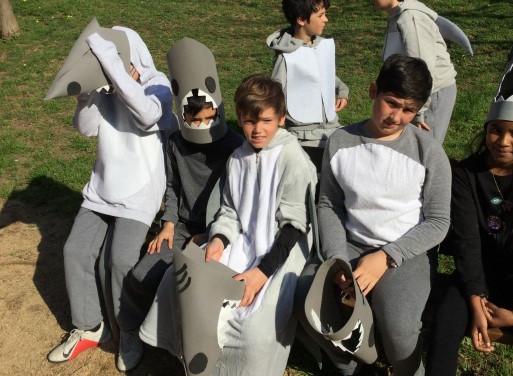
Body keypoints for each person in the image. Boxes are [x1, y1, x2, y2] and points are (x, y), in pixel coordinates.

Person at [139, 75, 317, 376]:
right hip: (242, 241)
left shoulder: (292, 159)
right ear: (240, 118)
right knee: (180, 280)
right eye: (249, 121)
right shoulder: (238, 158)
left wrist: (261, 273)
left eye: (266, 121)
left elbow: (294, 225)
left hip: (281, 249)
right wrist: (219, 239)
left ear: (281, 119)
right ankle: (198, 361)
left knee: (255, 329)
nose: (257, 130)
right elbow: (230, 210)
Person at [426, 0, 513, 376]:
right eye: (496, 130)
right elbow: (467, 241)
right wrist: (476, 300)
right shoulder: (466, 174)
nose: (503, 141)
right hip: (475, 276)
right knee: (443, 329)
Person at [296, 54, 452, 376]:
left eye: (408, 110)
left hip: (405, 254)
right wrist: (338, 259)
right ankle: (351, 367)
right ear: (373, 91)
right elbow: (330, 204)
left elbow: (438, 221)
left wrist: (386, 257)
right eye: (391, 103)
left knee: (399, 330)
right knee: (305, 298)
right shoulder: (341, 142)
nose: (396, 116)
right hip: (350, 245)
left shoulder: (428, 152)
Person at [47, 22, 176, 364]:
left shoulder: (158, 84)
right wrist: (88, 93)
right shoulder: (107, 91)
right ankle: (90, 327)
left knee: (118, 261)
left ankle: (128, 331)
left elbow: (148, 116)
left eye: (117, 59)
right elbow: (86, 128)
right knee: (75, 251)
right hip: (103, 189)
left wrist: (116, 72)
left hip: (140, 192)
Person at [115, 38, 243, 372]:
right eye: (194, 120)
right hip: (184, 226)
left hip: (221, 233)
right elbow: (173, 188)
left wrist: (211, 235)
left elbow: (237, 201)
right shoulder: (176, 145)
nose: (202, 125)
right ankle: (129, 330)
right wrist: (169, 223)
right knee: (141, 275)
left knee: (192, 290)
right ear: (183, 116)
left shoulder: (235, 146)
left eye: (209, 117)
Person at [372, 0, 457, 144]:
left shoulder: (411, 18)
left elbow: (423, 68)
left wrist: (419, 111)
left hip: (432, 94)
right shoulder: (398, 17)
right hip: (411, 98)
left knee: (423, 148)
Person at [268, 0, 349, 170]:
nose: (326, 19)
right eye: (320, 15)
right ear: (301, 19)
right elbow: (274, 94)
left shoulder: (322, 46)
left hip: (331, 133)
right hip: (303, 139)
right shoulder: (286, 56)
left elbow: (327, 75)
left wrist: (342, 90)